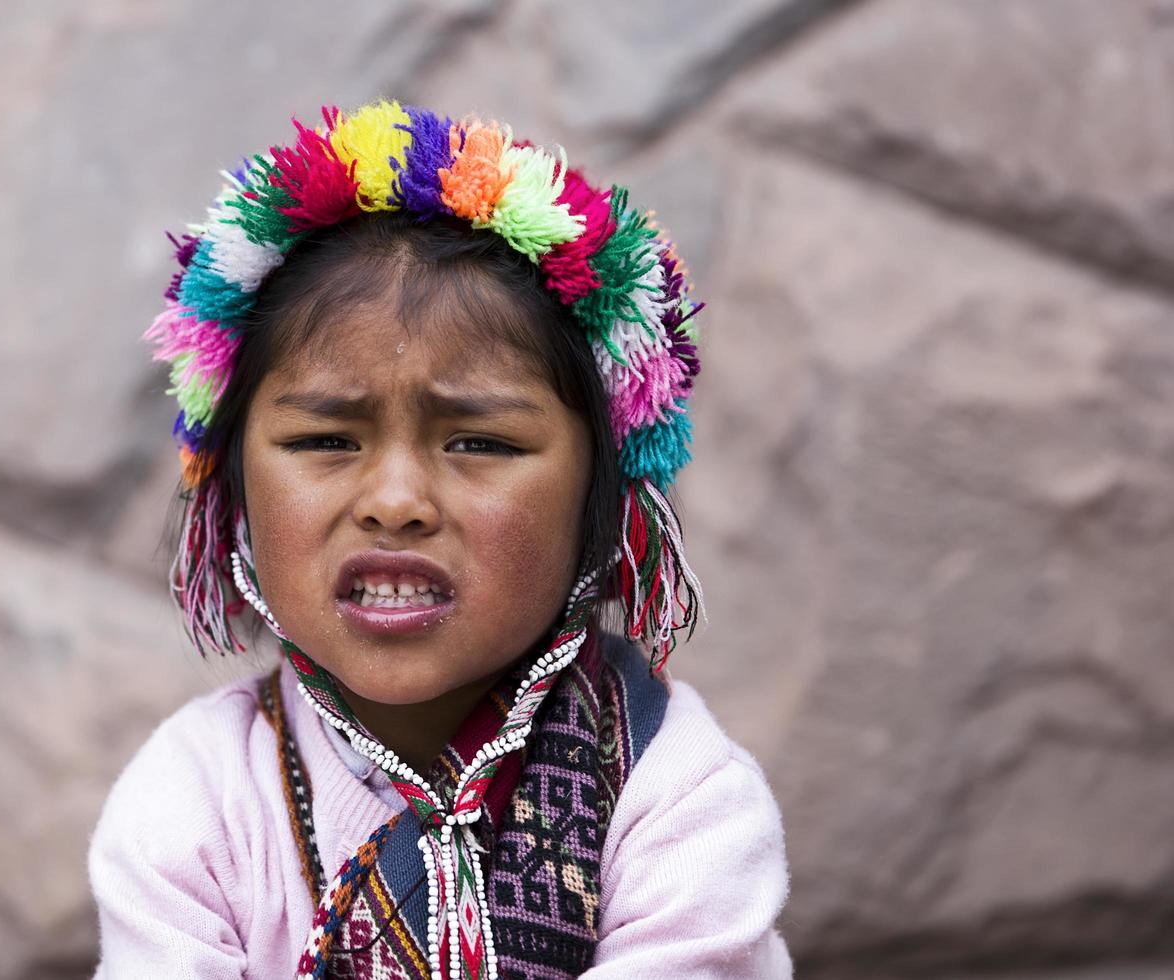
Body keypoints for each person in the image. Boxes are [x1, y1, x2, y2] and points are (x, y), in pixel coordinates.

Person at [88, 100, 792, 979]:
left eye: (482, 443)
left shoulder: (677, 798)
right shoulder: (194, 804)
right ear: (232, 493)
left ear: (600, 502)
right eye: (324, 440)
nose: (394, 501)